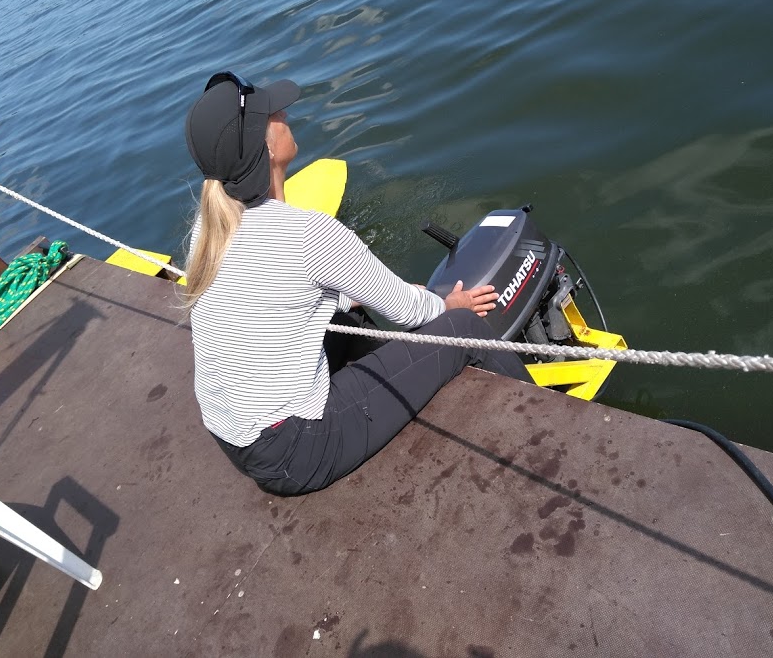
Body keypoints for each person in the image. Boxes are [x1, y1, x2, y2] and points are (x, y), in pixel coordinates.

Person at [183, 70, 533, 496]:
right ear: (267, 146)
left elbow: (283, 297)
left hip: (234, 439)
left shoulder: (209, 228)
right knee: (464, 329)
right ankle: (542, 425)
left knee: (347, 313)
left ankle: (412, 378)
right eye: (275, 114)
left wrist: (363, 297)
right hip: (298, 452)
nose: (285, 114)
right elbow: (410, 312)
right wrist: (450, 305)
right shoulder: (308, 234)